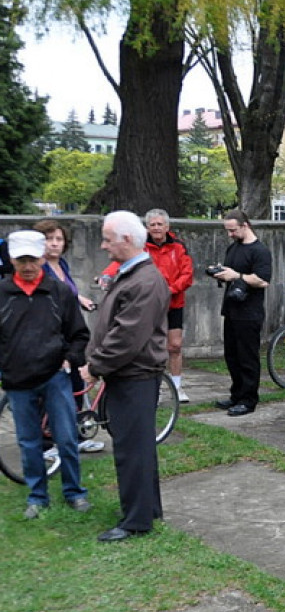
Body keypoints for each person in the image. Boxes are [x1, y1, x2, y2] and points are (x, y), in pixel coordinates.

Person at [81, 211, 170, 542]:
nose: (103, 246)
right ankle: (148, 510)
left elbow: (125, 337)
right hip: (130, 375)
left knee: (132, 450)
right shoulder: (132, 275)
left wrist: (94, 367)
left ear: (128, 240)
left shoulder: (144, 281)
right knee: (138, 446)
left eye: (108, 240)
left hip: (135, 377)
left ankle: (135, 521)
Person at [0, 230, 92, 520]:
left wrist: (69, 359)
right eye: (21, 260)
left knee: (66, 437)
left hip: (54, 376)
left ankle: (74, 492)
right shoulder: (2, 293)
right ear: (12, 260)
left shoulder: (59, 292)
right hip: (17, 381)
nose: (28, 266)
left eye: (33, 259)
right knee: (28, 442)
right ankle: (37, 496)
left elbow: (79, 334)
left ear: (42, 257)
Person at [96, 210, 195, 403]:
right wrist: (106, 275)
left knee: (175, 346)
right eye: (152, 225)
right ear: (147, 227)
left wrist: (169, 290)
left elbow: (187, 274)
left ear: (167, 227)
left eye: (160, 224)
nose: (156, 228)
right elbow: (122, 261)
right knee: (150, 346)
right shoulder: (141, 246)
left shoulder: (178, 247)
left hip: (173, 302)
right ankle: (155, 388)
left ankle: (177, 386)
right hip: (149, 304)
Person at [33, 218, 105, 453]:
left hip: (71, 333)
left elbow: (67, 292)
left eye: (59, 239)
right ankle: (46, 441)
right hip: (51, 335)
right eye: (49, 239)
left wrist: (80, 298)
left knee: (76, 382)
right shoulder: (38, 268)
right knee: (50, 388)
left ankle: (76, 435)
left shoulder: (61, 265)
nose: (54, 243)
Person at [212, 209, 273, 417]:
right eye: (227, 230)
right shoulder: (234, 248)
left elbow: (263, 280)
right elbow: (231, 273)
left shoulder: (260, 251)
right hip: (231, 309)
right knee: (232, 356)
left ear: (245, 225)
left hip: (249, 312)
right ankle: (236, 394)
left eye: (233, 230)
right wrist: (220, 273)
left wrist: (237, 276)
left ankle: (248, 399)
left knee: (247, 357)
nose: (230, 234)